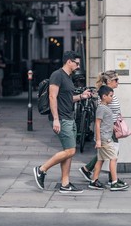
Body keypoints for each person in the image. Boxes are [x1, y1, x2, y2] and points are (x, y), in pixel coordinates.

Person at [33, 51, 92, 193]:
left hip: (69, 117)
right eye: (76, 63)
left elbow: (67, 99)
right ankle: (41, 169)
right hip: (62, 118)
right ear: (69, 61)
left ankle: (65, 184)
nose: (78, 66)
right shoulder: (57, 75)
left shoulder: (68, 77)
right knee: (71, 150)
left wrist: (81, 96)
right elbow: (52, 97)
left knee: (69, 151)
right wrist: (56, 120)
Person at [78, 70, 128, 186]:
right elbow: (100, 120)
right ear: (109, 81)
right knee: (112, 154)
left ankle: (92, 174)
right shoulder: (105, 94)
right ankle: (112, 180)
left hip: (112, 127)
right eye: (116, 80)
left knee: (107, 154)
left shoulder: (109, 92)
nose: (118, 82)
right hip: (109, 130)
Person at [89, 85, 129, 191]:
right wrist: (98, 140)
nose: (112, 98)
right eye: (111, 96)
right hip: (104, 138)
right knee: (113, 158)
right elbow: (97, 124)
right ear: (104, 96)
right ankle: (114, 182)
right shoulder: (102, 108)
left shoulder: (105, 108)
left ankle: (94, 181)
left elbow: (105, 123)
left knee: (100, 159)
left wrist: (113, 127)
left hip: (104, 137)